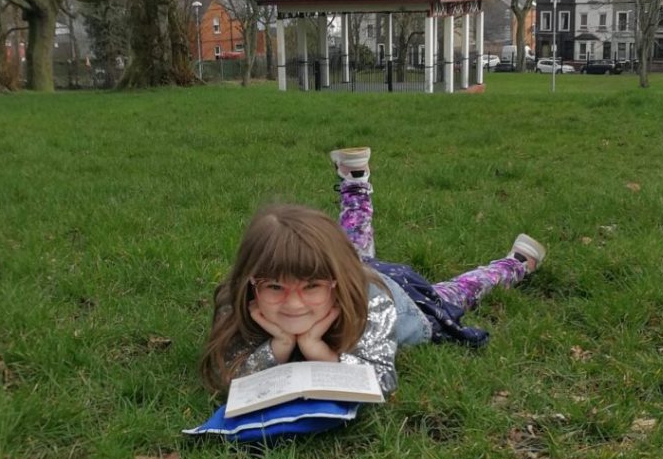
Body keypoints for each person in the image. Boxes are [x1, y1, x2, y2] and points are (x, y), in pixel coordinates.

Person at [200, 147, 545, 396]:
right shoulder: (239, 298)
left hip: (405, 300)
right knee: (351, 247)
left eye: (310, 288)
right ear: (250, 281)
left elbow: (382, 378)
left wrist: (318, 350)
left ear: (333, 285)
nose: (294, 304)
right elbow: (225, 371)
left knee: (457, 292)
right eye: (275, 287)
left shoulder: (369, 303)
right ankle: (355, 179)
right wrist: (281, 344)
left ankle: (514, 264)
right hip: (351, 269)